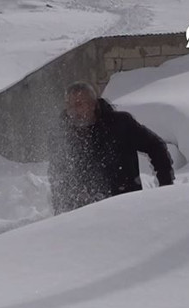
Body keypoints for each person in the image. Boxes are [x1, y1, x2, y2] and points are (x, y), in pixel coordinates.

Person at [48, 81, 175, 214]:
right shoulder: (61, 135)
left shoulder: (119, 125)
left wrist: (165, 185)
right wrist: (61, 208)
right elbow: (57, 174)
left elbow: (155, 146)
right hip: (82, 213)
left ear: (93, 104)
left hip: (125, 207)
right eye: (69, 105)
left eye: (79, 104)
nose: (73, 111)